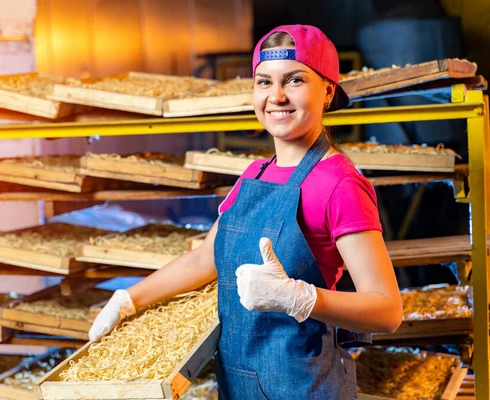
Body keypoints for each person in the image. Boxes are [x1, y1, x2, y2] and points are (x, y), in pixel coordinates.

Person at [89, 25, 402, 399]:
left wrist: (298, 297)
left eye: (295, 80)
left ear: (329, 91)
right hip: (238, 386)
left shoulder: (340, 184)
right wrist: (128, 299)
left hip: (301, 386)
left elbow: (387, 310)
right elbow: (206, 259)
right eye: (264, 82)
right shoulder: (255, 174)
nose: (277, 96)